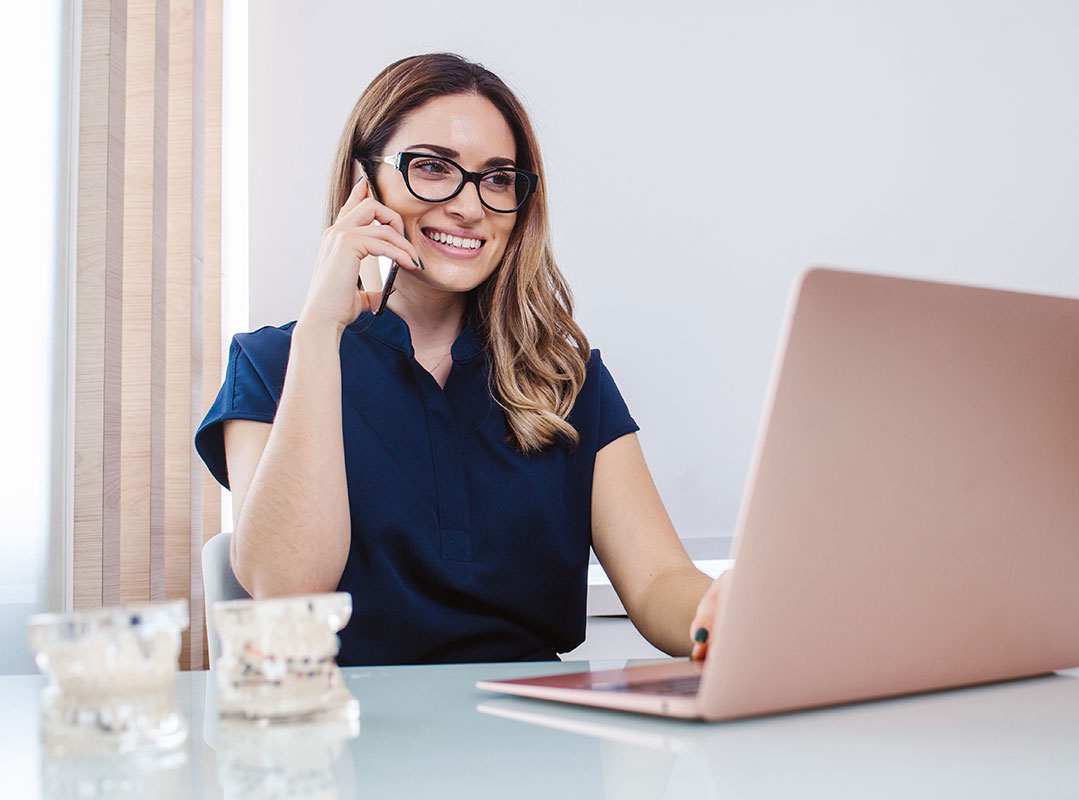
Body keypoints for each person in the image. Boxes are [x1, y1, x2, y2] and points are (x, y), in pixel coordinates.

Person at [196, 53, 728, 665]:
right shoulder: (271, 364)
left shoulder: (565, 378)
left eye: (498, 178)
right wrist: (321, 326)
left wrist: (723, 612)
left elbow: (660, 580)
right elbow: (288, 594)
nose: (469, 206)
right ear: (361, 183)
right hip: (349, 738)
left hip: (535, 736)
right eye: (432, 167)